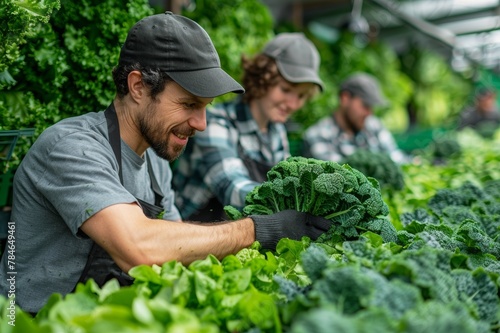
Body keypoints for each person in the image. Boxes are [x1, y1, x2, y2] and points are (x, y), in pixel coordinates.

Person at [0, 12, 334, 315]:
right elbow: (138, 247)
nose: (202, 123)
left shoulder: (157, 163)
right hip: (32, 322)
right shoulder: (72, 147)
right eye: (189, 104)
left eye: (205, 107)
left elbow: (175, 259)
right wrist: (259, 229)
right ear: (138, 87)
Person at [173, 32, 324, 221]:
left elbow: (282, 183)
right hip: (193, 232)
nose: (293, 104)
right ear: (262, 77)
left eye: (301, 96)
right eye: (285, 90)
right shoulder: (215, 122)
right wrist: (295, 202)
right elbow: (232, 187)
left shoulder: (276, 132)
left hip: (245, 233)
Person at [302, 72, 407, 164]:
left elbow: (396, 157)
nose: (369, 113)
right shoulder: (319, 135)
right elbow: (339, 176)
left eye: (371, 107)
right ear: (345, 98)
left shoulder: (373, 125)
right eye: (365, 105)